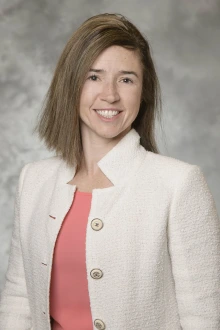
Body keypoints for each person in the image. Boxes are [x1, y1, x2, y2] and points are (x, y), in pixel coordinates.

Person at [0, 12, 219, 330]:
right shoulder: (34, 180)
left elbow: (203, 318)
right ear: (71, 85)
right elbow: (19, 299)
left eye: (126, 79)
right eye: (94, 77)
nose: (110, 94)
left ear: (143, 92)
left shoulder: (179, 184)